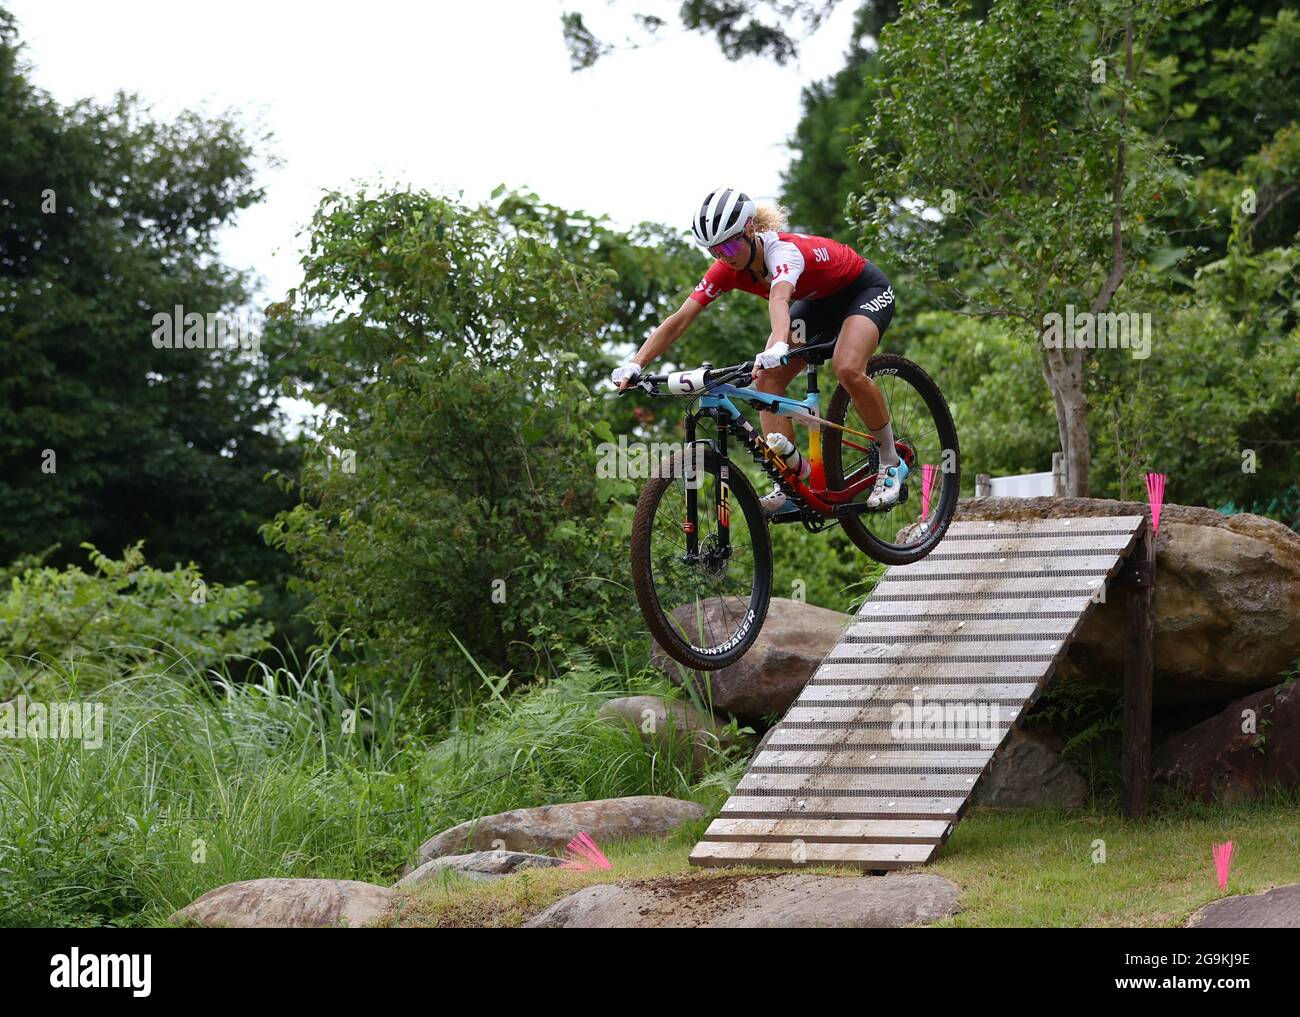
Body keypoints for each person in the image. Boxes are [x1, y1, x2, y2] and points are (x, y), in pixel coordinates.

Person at [613, 187, 903, 512]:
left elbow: (779, 299)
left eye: (730, 244)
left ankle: (891, 460)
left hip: (862, 289)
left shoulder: (783, 252)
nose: (724, 255)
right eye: (714, 250)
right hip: (817, 303)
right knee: (765, 380)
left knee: (847, 368)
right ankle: (790, 480)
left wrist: (779, 342)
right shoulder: (726, 267)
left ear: (750, 229)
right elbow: (681, 319)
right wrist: (636, 363)